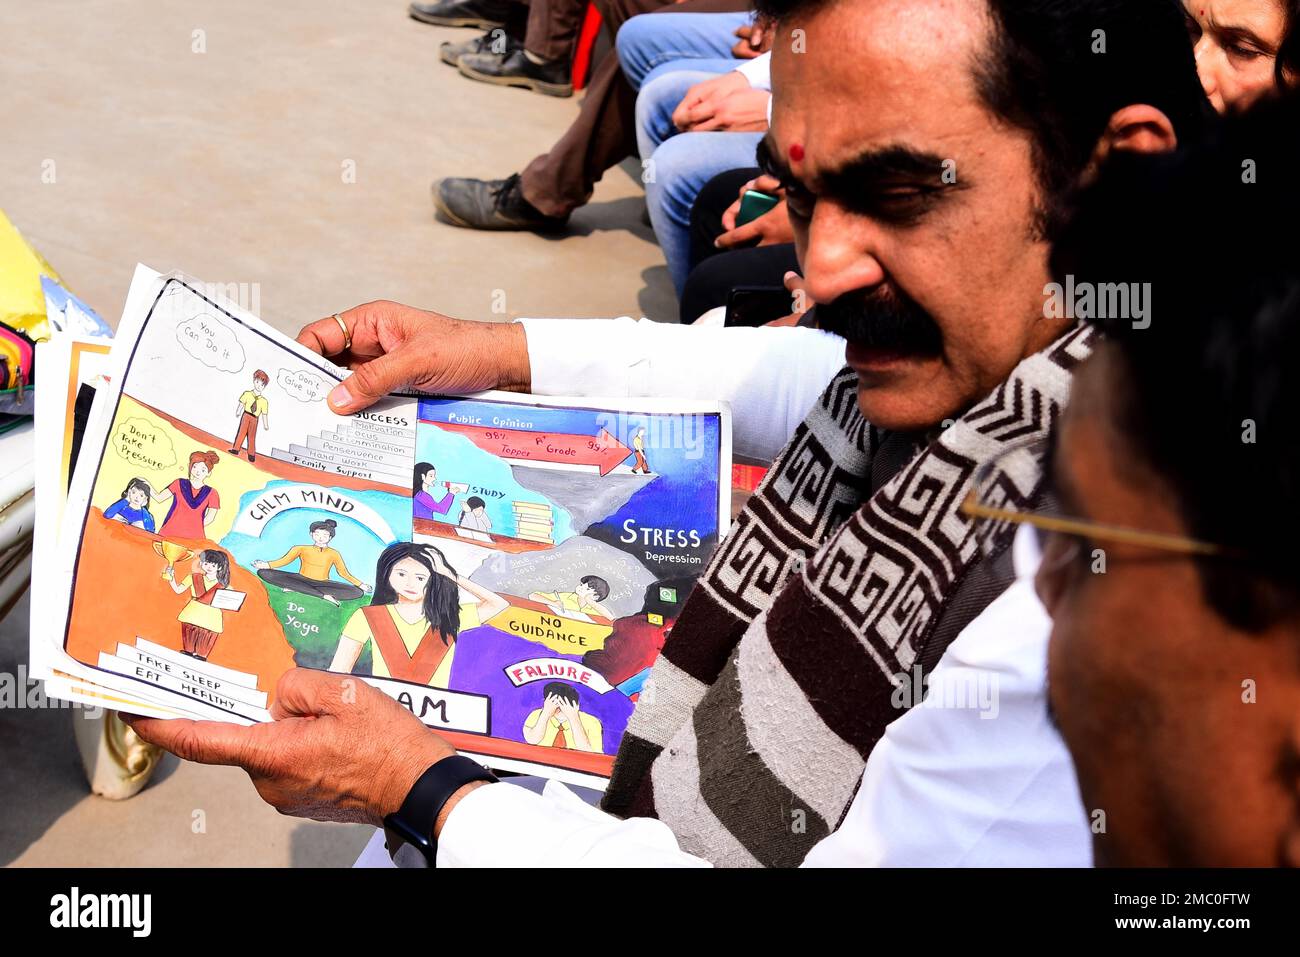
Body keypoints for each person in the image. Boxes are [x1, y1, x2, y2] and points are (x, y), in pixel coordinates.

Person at [126, 0, 1211, 866]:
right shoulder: (1039, 353)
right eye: (803, 193)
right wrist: (495, 351)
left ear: (1112, 174)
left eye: (893, 192)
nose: (819, 271)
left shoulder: (1112, 571)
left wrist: (424, 789)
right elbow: (795, 375)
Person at [433, 0, 756, 231]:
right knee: (637, 30)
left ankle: (548, 191)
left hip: (785, 23)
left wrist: (787, 20)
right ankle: (529, 42)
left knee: (644, 45)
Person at [329, 542, 508, 688]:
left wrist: (448, 573)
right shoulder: (367, 616)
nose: (410, 583)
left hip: (434, 714)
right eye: (401, 574)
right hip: (382, 709)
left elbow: (498, 604)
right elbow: (338, 671)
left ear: (433, 580)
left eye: (420, 578)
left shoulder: (451, 617)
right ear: (387, 575)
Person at [253, 519, 371, 606]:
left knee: (357, 592)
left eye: (325, 535)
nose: (321, 538)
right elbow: (284, 561)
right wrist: (266, 565)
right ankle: (323, 596)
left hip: (322, 584)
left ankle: (299, 589)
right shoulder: (300, 548)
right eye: (317, 534)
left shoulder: (334, 553)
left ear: (330, 538)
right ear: (311, 534)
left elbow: (343, 573)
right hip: (300, 578)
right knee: (264, 573)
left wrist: (361, 585)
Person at [163, 548, 234, 661]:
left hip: (211, 619)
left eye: (213, 565)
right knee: (188, 650)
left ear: (219, 567)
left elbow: (230, 604)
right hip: (192, 614)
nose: (209, 567)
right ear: (201, 563)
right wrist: (171, 579)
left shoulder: (226, 587)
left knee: (202, 653)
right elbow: (178, 590)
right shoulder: (193, 577)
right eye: (206, 563)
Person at [154, 451, 221, 540]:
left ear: (209, 473)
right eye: (195, 467)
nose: (198, 472)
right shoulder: (179, 483)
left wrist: (194, 526)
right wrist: (145, 484)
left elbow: (210, 518)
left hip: (195, 536)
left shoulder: (212, 493)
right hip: (170, 531)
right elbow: (159, 498)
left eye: (203, 470)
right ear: (190, 466)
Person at [229, 369, 270, 463]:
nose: (259, 385)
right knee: (241, 432)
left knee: (252, 436)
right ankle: (235, 449)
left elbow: (264, 414)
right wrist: (238, 411)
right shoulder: (247, 394)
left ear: (264, 387)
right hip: (246, 415)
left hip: (255, 419)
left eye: (262, 384)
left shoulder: (264, 401)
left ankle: (251, 454)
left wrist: (265, 424)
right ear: (254, 381)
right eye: (257, 382)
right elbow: (241, 404)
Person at [529, 575, 613, 620]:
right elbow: (532, 596)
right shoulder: (565, 597)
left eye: (587, 589)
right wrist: (553, 603)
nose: (580, 588)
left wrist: (589, 600)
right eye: (581, 585)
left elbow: (611, 619)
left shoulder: (596, 610)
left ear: (595, 596)